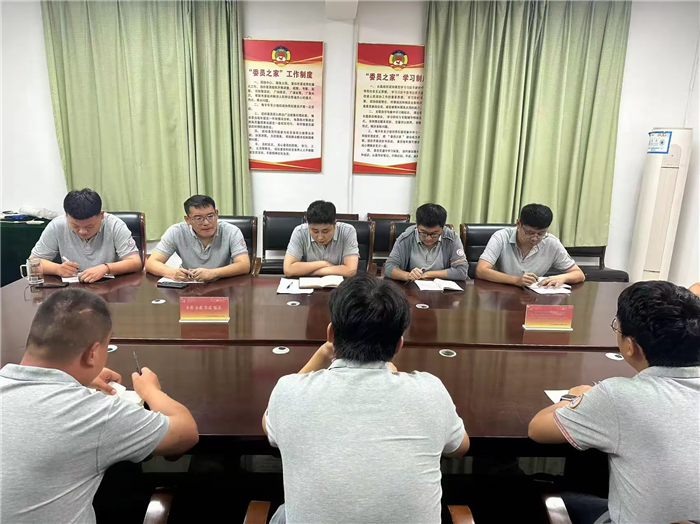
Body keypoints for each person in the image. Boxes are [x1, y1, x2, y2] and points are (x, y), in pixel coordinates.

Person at [262, 273, 470, 524]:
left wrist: (322, 354)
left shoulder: (289, 393)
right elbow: (460, 447)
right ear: (398, 345)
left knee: (283, 513)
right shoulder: (431, 392)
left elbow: (268, 422)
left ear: (331, 334)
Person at [0, 288, 199, 523]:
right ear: (92, 354)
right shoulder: (91, 413)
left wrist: (77, 378)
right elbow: (186, 433)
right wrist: (150, 391)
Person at [528, 281, 700, 524]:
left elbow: (538, 428)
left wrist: (575, 397)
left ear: (630, 347)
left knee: (535, 495)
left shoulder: (617, 396)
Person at [30, 188, 142, 283]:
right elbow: (33, 263)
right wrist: (57, 269)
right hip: (72, 290)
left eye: (89, 226)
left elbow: (135, 262)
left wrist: (106, 268)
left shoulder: (115, 225)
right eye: (75, 226)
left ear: (101, 215)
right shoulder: (57, 225)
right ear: (66, 216)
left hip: (110, 286)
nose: (82, 231)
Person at [476, 203, 585, 288]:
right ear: (518, 224)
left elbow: (579, 274)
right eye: (529, 232)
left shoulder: (552, 243)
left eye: (541, 233)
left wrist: (561, 278)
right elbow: (481, 271)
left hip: (533, 298)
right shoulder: (501, 237)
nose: (535, 238)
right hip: (501, 293)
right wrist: (517, 280)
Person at [146, 195, 250, 282]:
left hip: (222, 284)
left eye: (210, 216)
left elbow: (244, 265)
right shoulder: (176, 232)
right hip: (189, 286)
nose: (206, 223)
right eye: (198, 218)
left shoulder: (231, 231)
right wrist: (173, 273)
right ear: (188, 220)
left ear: (217, 214)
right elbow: (151, 263)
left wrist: (213, 273)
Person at [384, 203, 468, 282]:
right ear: (417, 224)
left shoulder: (452, 239)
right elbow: (389, 268)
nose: (428, 238)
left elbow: (462, 271)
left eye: (434, 234)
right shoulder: (406, 238)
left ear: (443, 228)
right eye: (423, 232)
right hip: (412, 288)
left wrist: (427, 274)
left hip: (444, 290)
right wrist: (408, 275)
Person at [283, 200, 359, 277]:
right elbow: (288, 269)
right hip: (307, 283)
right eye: (315, 231)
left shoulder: (347, 231)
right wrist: (324, 264)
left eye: (325, 231)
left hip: (339, 283)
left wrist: (313, 272)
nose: (320, 237)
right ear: (308, 224)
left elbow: (351, 271)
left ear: (334, 224)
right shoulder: (300, 232)